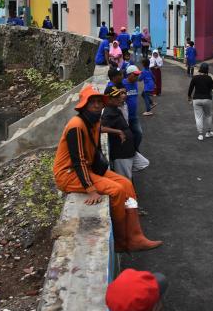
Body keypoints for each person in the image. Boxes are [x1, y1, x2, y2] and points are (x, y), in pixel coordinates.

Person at [52, 85, 161, 252]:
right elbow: (78, 160)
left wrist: (101, 172)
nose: (96, 105)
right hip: (69, 174)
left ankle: (135, 235)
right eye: (92, 102)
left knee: (126, 184)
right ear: (84, 105)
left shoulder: (94, 123)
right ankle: (120, 240)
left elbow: (95, 153)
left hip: (87, 170)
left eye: (98, 102)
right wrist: (91, 189)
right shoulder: (77, 125)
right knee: (116, 191)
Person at [100, 87, 138, 179]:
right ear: (108, 99)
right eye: (116, 97)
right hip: (121, 153)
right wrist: (118, 131)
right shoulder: (108, 112)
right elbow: (100, 128)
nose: (120, 98)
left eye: (119, 95)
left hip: (128, 150)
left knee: (142, 164)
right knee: (125, 180)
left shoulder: (116, 109)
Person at [188, 63, 213, 141]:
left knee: (198, 117)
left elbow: (190, 88)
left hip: (196, 99)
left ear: (200, 69)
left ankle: (200, 134)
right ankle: (208, 132)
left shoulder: (195, 78)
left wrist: (189, 97)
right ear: (207, 70)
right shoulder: (209, 78)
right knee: (208, 115)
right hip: (207, 99)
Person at [124, 66, 143, 149]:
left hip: (134, 116)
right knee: (127, 136)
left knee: (139, 133)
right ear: (128, 75)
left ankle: (135, 150)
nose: (137, 77)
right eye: (135, 75)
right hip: (124, 117)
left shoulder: (135, 83)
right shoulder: (123, 84)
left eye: (137, 75)